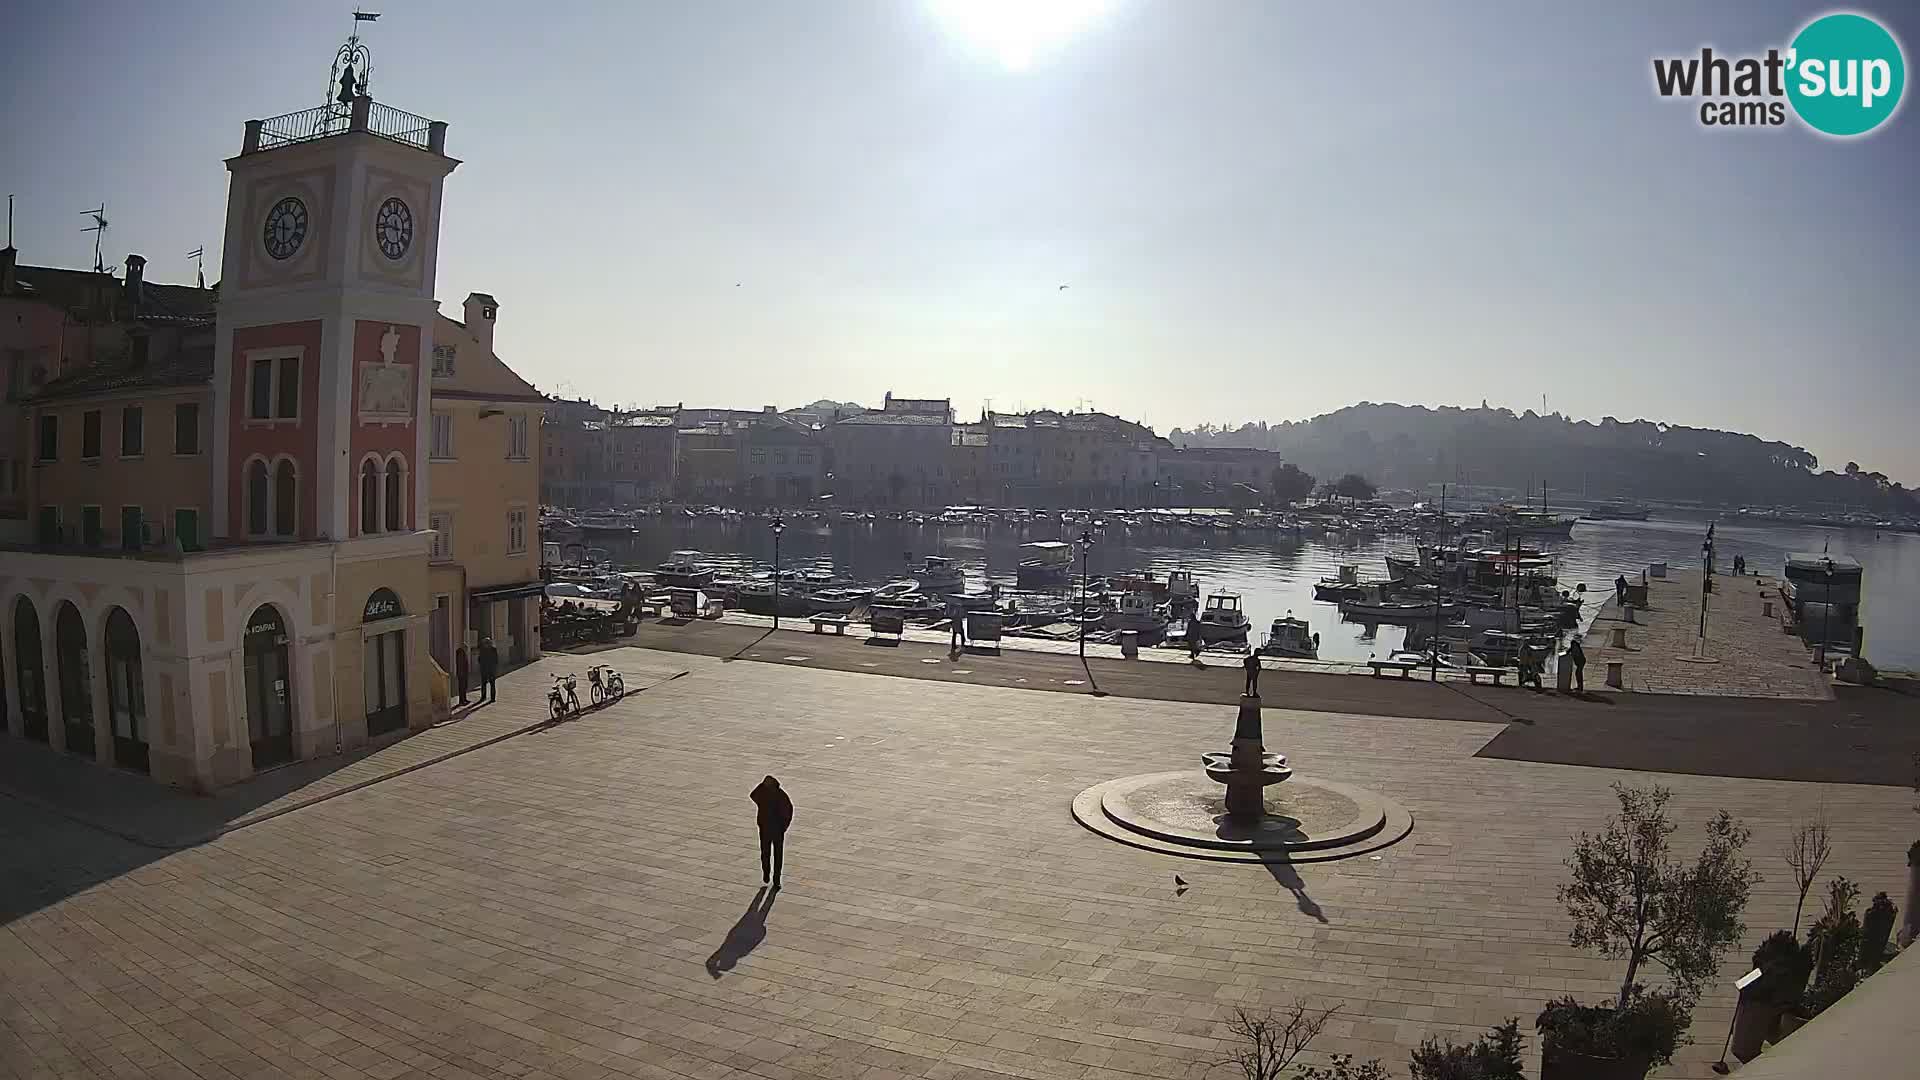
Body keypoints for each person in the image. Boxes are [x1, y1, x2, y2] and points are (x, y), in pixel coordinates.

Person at [750, 775, 793, 888]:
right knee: (771, 853)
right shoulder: (768, 793)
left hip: (773, 828)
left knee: (769, 853)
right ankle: (771, 876)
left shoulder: (779, 795)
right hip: (769, 828)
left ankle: (772, 876)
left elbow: (788, 811)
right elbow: (753, 795)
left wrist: (783, 826)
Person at [478, 636, 499, 704]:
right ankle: (490, 698)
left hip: (487, 669)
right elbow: (496, 660)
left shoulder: (483, 649)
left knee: (487, 684)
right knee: (490, 684)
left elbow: (479, 659)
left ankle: (486, 697)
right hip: (489, 669)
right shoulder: (492, 649)